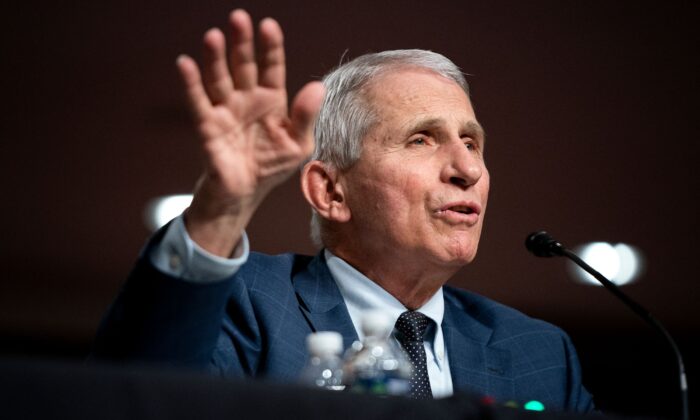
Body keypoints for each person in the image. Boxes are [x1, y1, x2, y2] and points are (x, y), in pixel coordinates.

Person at [92, 9, 594, 412]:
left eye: (472, 141)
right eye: (421, 139)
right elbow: (134, 397)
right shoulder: (249, 305)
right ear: (331, 192)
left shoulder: (541, 353)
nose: (467, 168)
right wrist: (222, 209)